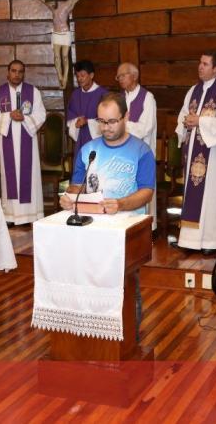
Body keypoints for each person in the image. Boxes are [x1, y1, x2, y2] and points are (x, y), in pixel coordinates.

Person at [60, 92, 155, 340]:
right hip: (92, 227)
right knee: (90, 282)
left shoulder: (141, 150)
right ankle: (92, 335)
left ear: (126, 117)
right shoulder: (88, 150)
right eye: (101, 121)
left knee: (126, 283)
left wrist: (122, 203)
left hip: (127, 226)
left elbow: (146, 192)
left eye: (112, 121)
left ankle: (130, 337)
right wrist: (68, 197)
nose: (106, 127)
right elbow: (76, 186)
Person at [175, 51, 216, 254]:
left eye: (205, 64)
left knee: (211, 198)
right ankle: (189, 240)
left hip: (215, 156)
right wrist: (185, 123)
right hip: (193, 152)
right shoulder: (193, 91)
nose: (200, 67)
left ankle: (212, 242)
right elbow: (183, 116)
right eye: (199, 63)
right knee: (193, 196)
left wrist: (200, 121)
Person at [0, 60, 46, 225]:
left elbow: (41, 114)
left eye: (20, 71)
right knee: (9, 176)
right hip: (8, 141)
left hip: (28, 140)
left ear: (23, 73)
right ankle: (11, 216)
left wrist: (25, 118)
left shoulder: (33, 92)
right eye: (13, 71)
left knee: (29, 175)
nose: (17, 74)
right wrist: (8, 116)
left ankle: (31, 215)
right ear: (8, 72)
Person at [19, 0, 98, 89]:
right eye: (49, 4)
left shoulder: (67, 4)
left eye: (51, 3)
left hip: (65, 33)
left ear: (55, 1)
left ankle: (65, 77)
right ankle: (60, 76)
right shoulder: (51, 5)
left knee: (65, 56)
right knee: (56, 57)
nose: (50, 5)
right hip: (56, 33)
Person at [116, 62, 158, 228]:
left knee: (142, 189)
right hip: (121, 154)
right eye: (118, 76)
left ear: (134, 75)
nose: (119, 79)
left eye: (122, 75)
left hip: (142, 154)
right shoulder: (119, 99)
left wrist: (124, 125)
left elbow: (146, 127)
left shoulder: (147, 98)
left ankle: (147, 227)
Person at [66, 60, 108, 163]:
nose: (79, 79)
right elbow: (70, 116)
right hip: (80, 140)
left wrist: (88, 122)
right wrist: (76, 122)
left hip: (98, 141)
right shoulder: (75, 95)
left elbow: (108, 120)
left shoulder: (103, 94)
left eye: (82, 75)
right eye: (77, 76)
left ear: (91, 75)